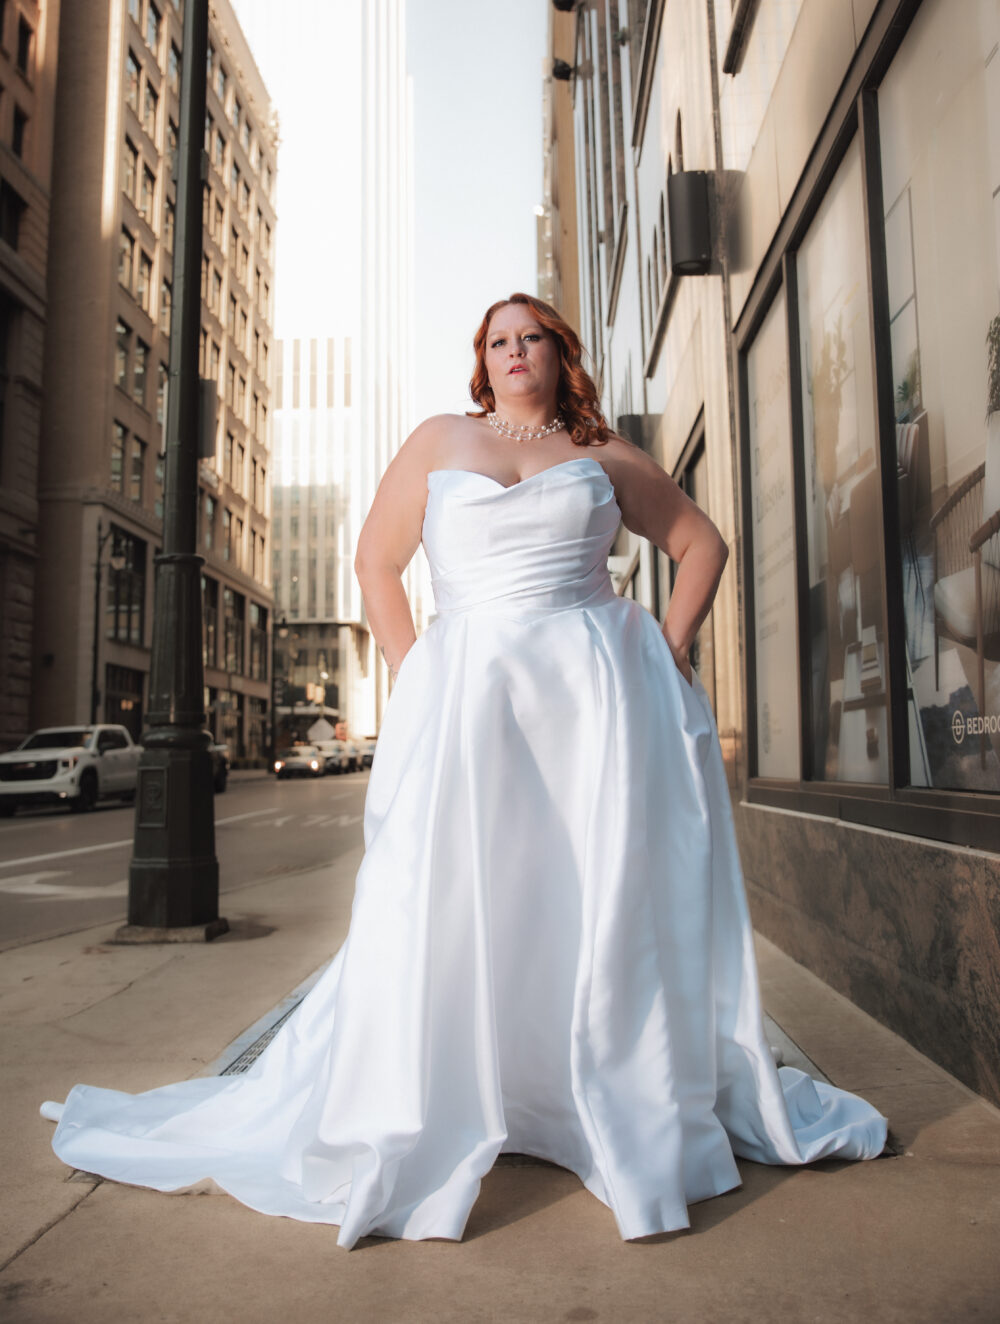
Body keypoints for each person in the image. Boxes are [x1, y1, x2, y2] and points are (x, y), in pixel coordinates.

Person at [40, 292, 887, 1249]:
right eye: (499, 340)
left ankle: (585, 1092)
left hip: (591, 712)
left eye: (533, 338)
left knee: (586, 896)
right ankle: (454, 1095)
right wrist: (420, 669)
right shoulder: (440, 439)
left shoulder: (603, 458)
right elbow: (374, 562)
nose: (516, 350)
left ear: (562, 357)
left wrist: (668, 648)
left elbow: (702, 544)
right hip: (470, 706)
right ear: (482, 363)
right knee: (451, 897)